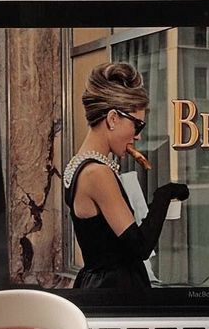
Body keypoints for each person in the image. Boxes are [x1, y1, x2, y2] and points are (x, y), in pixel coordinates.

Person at [64, 62, 189, 291]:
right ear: (113, 119)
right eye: (137, 125)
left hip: (100, 285)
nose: (138, 137)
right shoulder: (97, 173)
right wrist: (164, 195)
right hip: (114, 290)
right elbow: (140, 247)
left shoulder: (78, 163)